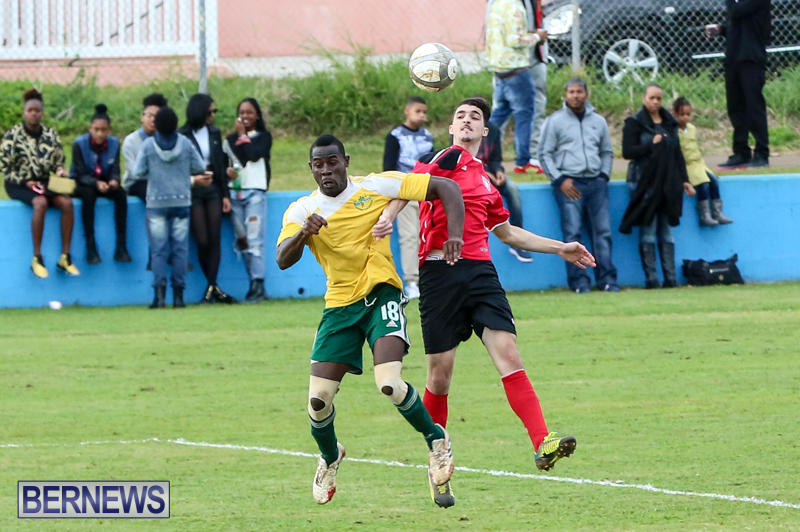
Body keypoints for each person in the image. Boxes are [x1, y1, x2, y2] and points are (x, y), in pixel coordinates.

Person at [379, 97, 594, 507]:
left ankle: (542, 441)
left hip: (480, 273)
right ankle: (438, 461)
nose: (466, 120)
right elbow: (408, 186)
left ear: (484, 131)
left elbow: (508, 233)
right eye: (460, 115)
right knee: (440, 377)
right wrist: (389, 215)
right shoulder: (444, 159)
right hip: (439, 272)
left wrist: (560, 247)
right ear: (451, 128)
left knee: (509, 353)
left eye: (474, 117)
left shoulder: (485, 182)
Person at [276, 134, 464, 505]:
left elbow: (445, 187)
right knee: (318, 401)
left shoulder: (375, 186)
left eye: (332, 162)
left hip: (381, 296)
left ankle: (437, 440)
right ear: (311, 169)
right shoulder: (303, 210)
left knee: (389, 384)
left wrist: (454, 236)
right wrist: (304, 233)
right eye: (319, 165)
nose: (326, 170)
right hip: (339, 307)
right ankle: (330, 456)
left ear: (345, 161)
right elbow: (283, 258)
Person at [539, 78, 618, 293]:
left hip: (596, 183)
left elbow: (606, 151)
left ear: (586, 94)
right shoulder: (555, 121)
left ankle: (607, 280)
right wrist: (560, 180)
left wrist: (603, 176)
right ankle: (579, 282)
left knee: (603, 233)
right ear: (565, 95)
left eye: (579, 92)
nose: (575, 96)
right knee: (573, 234)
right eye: (571, 92)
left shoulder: (598, 121)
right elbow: (544, 154)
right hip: (569, 185)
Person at [620, 84, 696, 289]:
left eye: (659, 99)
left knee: (667, 229)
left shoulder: (670, 123)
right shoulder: (635, 122)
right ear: (644, 98)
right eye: (651, 98)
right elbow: (628, 152)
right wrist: (651, 144)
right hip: (644, 182)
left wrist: (685, 180)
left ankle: (670, 279)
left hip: (667, 182)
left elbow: (677, 153)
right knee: (648, 228)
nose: (655, 102)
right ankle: (651, 279)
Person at [133, 106, 208, 309]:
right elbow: (200, 167)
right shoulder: (185, 143)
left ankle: (159, 296)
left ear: (157, 124)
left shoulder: (148, 145)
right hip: (181, 202)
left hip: (156, 203)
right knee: (180, 249)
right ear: (175, 124)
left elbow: (138, 172)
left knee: (158, 250)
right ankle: (178, 296)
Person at [1, 88, 79, 278]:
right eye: (30, 110)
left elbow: (58, 160)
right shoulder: (13, 136)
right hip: (18, 182)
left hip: (43, 181)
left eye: (37, 110)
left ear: (42, 113)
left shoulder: (50, 135)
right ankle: (37, 258)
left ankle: (65, 257)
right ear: (24, 113)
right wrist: (25, 181)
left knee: (67, 202)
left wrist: (60, 170)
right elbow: (4, 166)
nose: (34, 114)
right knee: (40, 202)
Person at [179, 93, 235, 304]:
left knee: (215, 237)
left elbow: (220, 164)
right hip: (194, 188)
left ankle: (212, 285)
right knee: (201, 239)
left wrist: (225, 194)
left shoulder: (214, 132)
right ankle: (213, 286)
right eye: (211, 111)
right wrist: (194, 179)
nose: (213, 115)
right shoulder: (183, 134)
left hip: (213, 188)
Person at [485, 0, 547, 174]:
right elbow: (515, 40)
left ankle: (481, 152)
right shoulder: (515, 7)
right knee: (524, 115)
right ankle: (523, 161)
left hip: (500, 69)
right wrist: (537, 37)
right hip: (517, 70)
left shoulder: (496, 5)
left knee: (498, 115)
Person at [707, 0, 770, 169]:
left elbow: (737, 12)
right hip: (733, 57)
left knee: (754, 106)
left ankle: (762, 153)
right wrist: (721, 29)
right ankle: (741, 152)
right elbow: (738, 22)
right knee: (735, 107)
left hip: (751, 58)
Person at [382, 96, 435, 298]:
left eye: (424, 112)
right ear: (407, 111)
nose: (422, 116)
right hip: (404, 191)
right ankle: (412, 281)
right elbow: (388, 167)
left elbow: (433, 165)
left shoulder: (427, 137)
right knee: (410, 236)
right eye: (418, 111)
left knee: (428, 236)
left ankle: (428, 279)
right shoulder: (395, 136)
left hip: (425, 192)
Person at [223, 97, 272, 303]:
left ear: (257, 115)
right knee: (242, 240)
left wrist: (243, 135)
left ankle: (258, 283)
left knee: (255, 239)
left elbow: (253, 155)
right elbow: (228, 163)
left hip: (254, 193)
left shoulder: (264, 137)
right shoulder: (229, 140)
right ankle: (253, 282)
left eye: (249, 112)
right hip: (235, 194)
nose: (245, 116)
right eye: (241, 112)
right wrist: (227, 172)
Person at [71, 103, 130, 264]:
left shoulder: (114, 144)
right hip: (83, 182)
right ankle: (90, 246)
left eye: (103, 130)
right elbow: (79, 173)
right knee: (88, 195)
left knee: (120, 194)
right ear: (90, 128)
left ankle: (121, 245)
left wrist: (114, 180)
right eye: (96, 129)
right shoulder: (79, 144)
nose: (100, 134)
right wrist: (96, 183)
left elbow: (116, 168)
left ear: (109, 130)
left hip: (104, 183)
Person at [475, 121, 532, 262]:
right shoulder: (465, 128)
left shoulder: (493, 129)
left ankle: (517, 241)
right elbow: (463, 158)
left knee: (512, 188)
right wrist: (485, 173)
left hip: (492, 174)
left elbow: (496, 159)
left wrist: (499, 171)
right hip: (473, 174)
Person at [673, 97, 734, 226]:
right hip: (687, 165)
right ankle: (704, 215)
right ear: (675, 114)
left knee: (714, 181)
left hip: (699, 163)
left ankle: (718, 213)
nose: (685, 117)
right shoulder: (674, 131)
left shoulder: (691, 128)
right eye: (682, 114)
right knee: (703, 184)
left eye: (688, 114)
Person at [122, 93, 168, 202]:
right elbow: (134, 173)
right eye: (150, 116)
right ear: (142, 117)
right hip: (136, 183)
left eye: (157, 117)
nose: (153, 120)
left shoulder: (166, 139)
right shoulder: (130, 141)